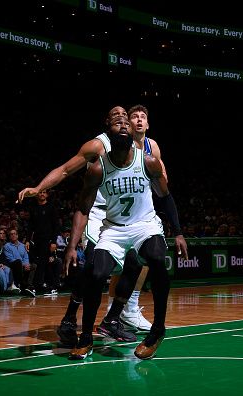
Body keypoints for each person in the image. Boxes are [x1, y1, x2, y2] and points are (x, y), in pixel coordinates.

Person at [17, 105, 165, 346]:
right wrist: (39, 188)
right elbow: (65, 170)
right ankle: (68, 319)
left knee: (135, 264)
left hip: (124, 219)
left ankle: (112, 319)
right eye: (114, 114)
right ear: (107, 122)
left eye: (123, 114)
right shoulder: (97, 145)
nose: (121, 115)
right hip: (97, 215)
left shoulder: (134, 147)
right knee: (93, 269)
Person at [63, 115, 187, 360]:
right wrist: (71, 244)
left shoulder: (148, 162)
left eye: (125, 122)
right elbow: (83, 208)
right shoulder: (98, 168)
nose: (122, 123)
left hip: (144, 224)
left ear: (132, 133)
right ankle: (86, 336)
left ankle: (157, 330)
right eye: (116, 122)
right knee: (96, 273)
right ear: (108, 134)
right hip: (114, 228)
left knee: (156, 257)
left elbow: (165, 197)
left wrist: (179, 232)